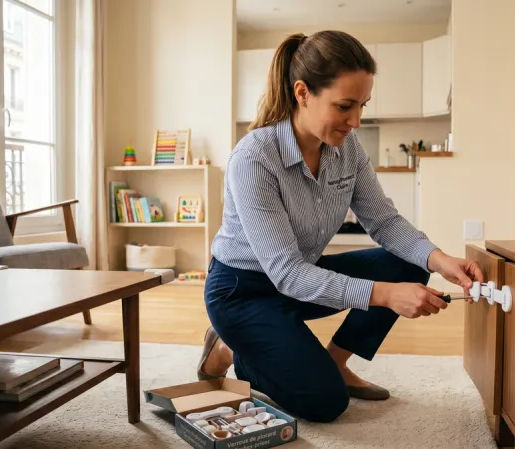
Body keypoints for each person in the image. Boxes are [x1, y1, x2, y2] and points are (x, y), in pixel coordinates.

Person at [198, 30, 484, 423]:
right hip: (243, 292)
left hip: (298, 281)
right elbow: (285, 272)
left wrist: (440, 259)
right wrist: (383, 295)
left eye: (362, 105)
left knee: (410, 263)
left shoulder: (347, 150)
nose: (356, 121)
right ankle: (234, 349)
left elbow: (383, 221)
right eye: (345, 106)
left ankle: (336, 362)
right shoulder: (255, 157)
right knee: (324, 403)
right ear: (303, 93)